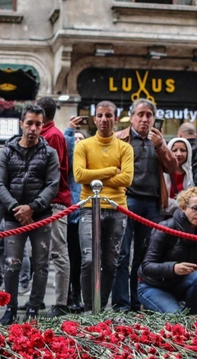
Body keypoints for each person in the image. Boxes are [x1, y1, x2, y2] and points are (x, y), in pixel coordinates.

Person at [0, 105, 60, 324]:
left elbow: (52, 185)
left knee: (41, 265)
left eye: (38, 124)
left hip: (40, 216)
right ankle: (10, 309)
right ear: (21, 123)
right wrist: (17, 209)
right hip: (13, 217)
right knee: (12, 263)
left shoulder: (49, 153)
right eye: (29, 123)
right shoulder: (7, 151)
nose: (33, 128)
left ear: (43, 126)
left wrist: (32, 207)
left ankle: (33, 309)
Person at [113, 99, 177, 312]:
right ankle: (120, 304)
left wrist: (160, 146)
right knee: (121, 254)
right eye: (140, 114)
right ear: (131, 117)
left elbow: (172, 167)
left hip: (151, 203)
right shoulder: (120, 138)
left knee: (143, 256)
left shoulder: (158, 140)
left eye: (148, 115)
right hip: (126, 201)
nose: (144, 119)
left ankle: (137, 302)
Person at [74, 101, 134, 312]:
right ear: (94, 118)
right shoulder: (84, 145)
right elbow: (79, 175)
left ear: (115, 119)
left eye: (109, 115)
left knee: (111, 262)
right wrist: (110, 170)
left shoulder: (125, 148)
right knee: (89, 260)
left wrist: (95, 179)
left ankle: (101, 306)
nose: (104, 120)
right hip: (89, 206)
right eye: (100, 115)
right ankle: (89, 306)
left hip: (117, 208)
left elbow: (126, 179)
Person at [137, 187, 197, 314]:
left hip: (180, 284)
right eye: (195, 208)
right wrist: (174, 268)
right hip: (153, 286)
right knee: (176, 318)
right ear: (183, 207)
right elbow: (146, 266)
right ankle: (165, 310)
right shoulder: (166, 228)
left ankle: (189, 314)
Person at [36, 97, 72, 317]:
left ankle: (60, 302)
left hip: (55, 201)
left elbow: (53, 173)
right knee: (40, 255)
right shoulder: (44, 134)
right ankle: (37, 299)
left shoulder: (54, 136)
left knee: (58, 252)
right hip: (43, 202)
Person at [64, 117, 85, 312]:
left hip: (86, 216)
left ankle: (79, 293)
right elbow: (67, 150)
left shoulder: (87, 163)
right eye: (75, 139)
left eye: (81, 139)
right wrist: (70, 131)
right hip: (71, 216)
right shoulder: (70, 166)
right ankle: (70, 294)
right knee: (70, 258)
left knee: (82, 259)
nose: (77, 142)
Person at [163, 137, 194, 216]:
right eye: (174, 150)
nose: (179, 154)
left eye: (183, 150)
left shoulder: (192, 172)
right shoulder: (163, 172)